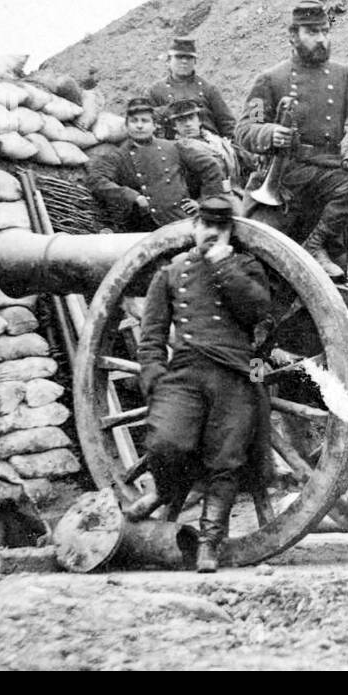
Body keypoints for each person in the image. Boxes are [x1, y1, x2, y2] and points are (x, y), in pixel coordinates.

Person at [125, 195, 272, 573]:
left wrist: (225, 266)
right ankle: (165, 488)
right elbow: (152, 334)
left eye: (220, 228)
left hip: (236, 371)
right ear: (194, 227)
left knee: (227, 458)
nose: (211, 233)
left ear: (229, 233)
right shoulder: (171, 271)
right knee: (165, 441)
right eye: (206, 225)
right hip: (186, 372)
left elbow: (257, 313)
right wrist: (154, 378)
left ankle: (209, 543)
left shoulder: (246, 266)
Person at [236, 0, 348, 277]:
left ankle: (316, 244)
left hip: (327, 172)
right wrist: (268, 133)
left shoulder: (346, 76)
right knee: (256, 256)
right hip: (285, 177)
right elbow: (244, 129)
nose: (322, 40)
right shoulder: (270, 79)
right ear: (293, 35)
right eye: (312, 32)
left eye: (325, 31)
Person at [85, 97, 228, 231]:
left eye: (145, 121)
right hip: (143, 226)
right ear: (127, 126)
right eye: (134, 121)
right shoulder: (118, 156)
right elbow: (97, 180)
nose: (139, 126)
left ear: (154, 126)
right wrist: (132, 196)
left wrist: (203, 202)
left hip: (180, 219)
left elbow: (211, 167)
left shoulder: (174, 147)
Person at [148, 35, 237, 140]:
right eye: (179, 57)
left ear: (195, 62)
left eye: (189, 58)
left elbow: (227, 123)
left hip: (208, 145)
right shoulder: (156, 91)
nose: (184, 61)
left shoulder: (208, 89)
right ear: (168, 60)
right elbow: (147, 124)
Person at [168, 97, 254, 190]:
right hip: (208, 197)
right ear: (174, 126)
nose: (188, 124)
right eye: (181, 120)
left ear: (199, 120)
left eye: (191, 118)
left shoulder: (217, 140)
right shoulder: (177, 149)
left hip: (236, 190)